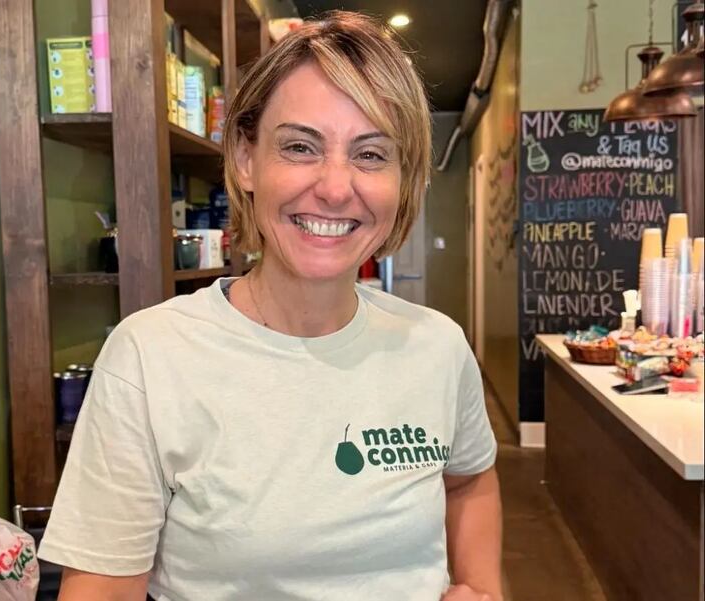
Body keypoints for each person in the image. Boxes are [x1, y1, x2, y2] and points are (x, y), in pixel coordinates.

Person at [38, 11, 502, 601]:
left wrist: (481, 588)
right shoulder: (149, 358)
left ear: (402, 179)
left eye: (370, 154)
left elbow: (469, 482)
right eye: (301, 147)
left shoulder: (436, 344)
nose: (336, 188)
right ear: (245, 159)